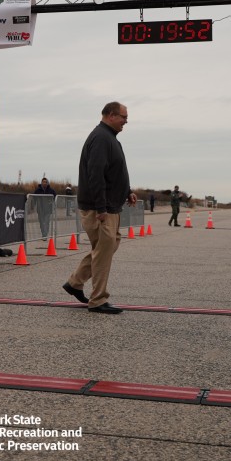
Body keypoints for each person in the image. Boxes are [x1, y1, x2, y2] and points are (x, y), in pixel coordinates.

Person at [62, 102, 137, 315]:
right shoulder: (101, 138)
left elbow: (114, 171)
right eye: (123, 117)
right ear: (111, 115)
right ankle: (98, 300)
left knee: (106, 248)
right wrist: (100, 207)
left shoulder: (110, 138)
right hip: (101, 209)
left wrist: (127, 191)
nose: (126, 121)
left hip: (111, 206)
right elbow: (95, 174)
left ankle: (75, 282)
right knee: (103, 253)